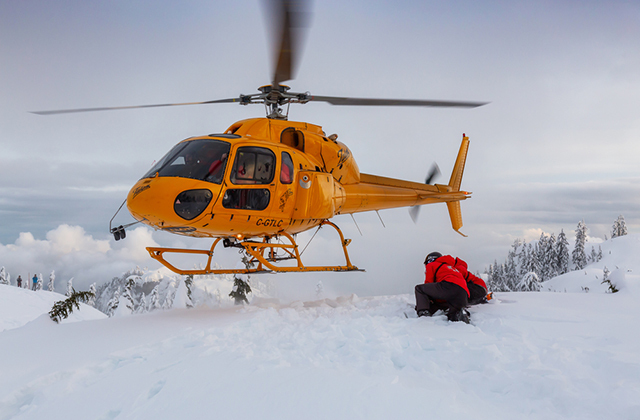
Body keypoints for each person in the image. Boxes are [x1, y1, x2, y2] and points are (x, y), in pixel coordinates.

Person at [415, 252, 470, 323]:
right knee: (453, 315)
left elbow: (429, 282)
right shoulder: (450, 267)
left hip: (448, 286)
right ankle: (459, 313)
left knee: (420, 289)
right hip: (463, 293)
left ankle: (423, 313)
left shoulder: (432, 265)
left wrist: (424, 303)